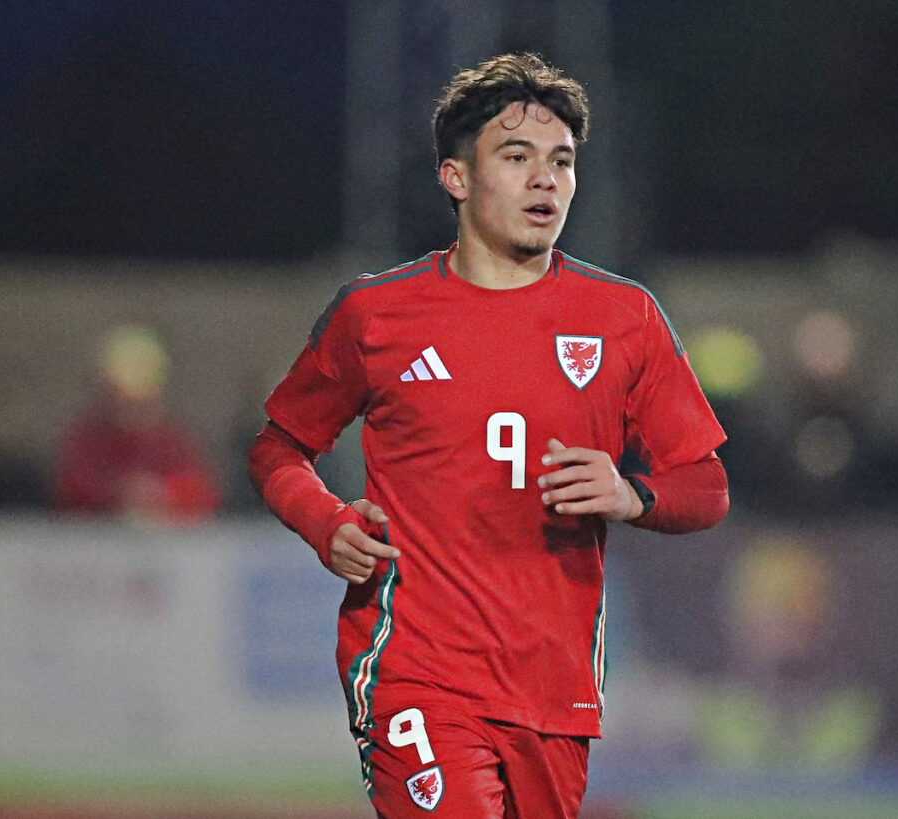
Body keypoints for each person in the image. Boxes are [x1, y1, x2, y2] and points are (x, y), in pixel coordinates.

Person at [248, 53, 729, 818]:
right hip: (416, 667)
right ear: (457, 177)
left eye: (562, 161)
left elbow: (705, 484)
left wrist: (629, 494)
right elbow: (278, 446)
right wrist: (323, 519)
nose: (546, 180)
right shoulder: (376, 315)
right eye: (516, 156)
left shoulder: (625, 318)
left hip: (554, 689)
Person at [54, 324, 220, 523]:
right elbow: (71, 489)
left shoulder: (170, 440)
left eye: (139, 403)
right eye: (120, 401)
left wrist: (161, 493)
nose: (129, 412)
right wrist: (115, 494)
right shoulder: (88, 439)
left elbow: (201, 491)